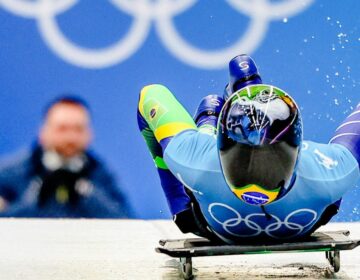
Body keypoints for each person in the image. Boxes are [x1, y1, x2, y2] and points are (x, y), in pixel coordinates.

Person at [137, 54, 359, 243]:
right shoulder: (331, 173)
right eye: (241, 160)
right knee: (334, 189)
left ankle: (218, 114)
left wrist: (179, 203)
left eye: (272, 161)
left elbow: (150, 94)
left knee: (209, 109)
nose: (256, 180)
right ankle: (243, 96)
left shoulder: (195, 161)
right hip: (306, 215)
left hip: (211, 221)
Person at [0, 95, 133, 218]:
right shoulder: (12, 172)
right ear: (44, 132)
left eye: (78, 129)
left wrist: (86, 191)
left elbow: (125, 220)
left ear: (90, 134)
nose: (71, 138)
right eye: (62, 129)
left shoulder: (100, 174)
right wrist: (37, 196)